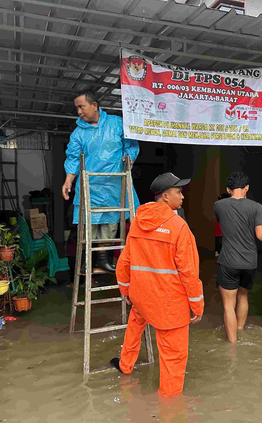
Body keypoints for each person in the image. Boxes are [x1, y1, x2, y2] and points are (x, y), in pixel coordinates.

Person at [110, 172, 204, 397]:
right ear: (165, 196)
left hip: (141, 295)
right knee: (173, 356)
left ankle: (125, 365)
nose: (182, 196)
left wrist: (125, 289)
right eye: (178, 192)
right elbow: (189, 273)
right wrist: (197, 305)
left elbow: (124, 262)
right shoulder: (179, 227)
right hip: (169, 305)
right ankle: (170, 406)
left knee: (135, 326)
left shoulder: (138, 221)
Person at [62, 90, 140, 272]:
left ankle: (103, 260)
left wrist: (128, 157)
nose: (79, 112)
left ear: (94, 105)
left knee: (110, 224)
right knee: (89, 227)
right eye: (77, 109)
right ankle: (87, 262)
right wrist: (68, 181)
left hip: (114, 185)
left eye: (81, 107)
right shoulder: (78, 133)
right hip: (90, 186)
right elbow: (73, 158)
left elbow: (131, 145)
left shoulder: (117, 123)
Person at [214, 172, 262, 343]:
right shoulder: (256, 207)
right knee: (243, 296)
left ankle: (233, 343)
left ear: (228, 189)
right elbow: (261, 236)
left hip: (228, 261)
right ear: (247, 188)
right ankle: (240, 330)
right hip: (249, 262)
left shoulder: (219, 205)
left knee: (228, 304)